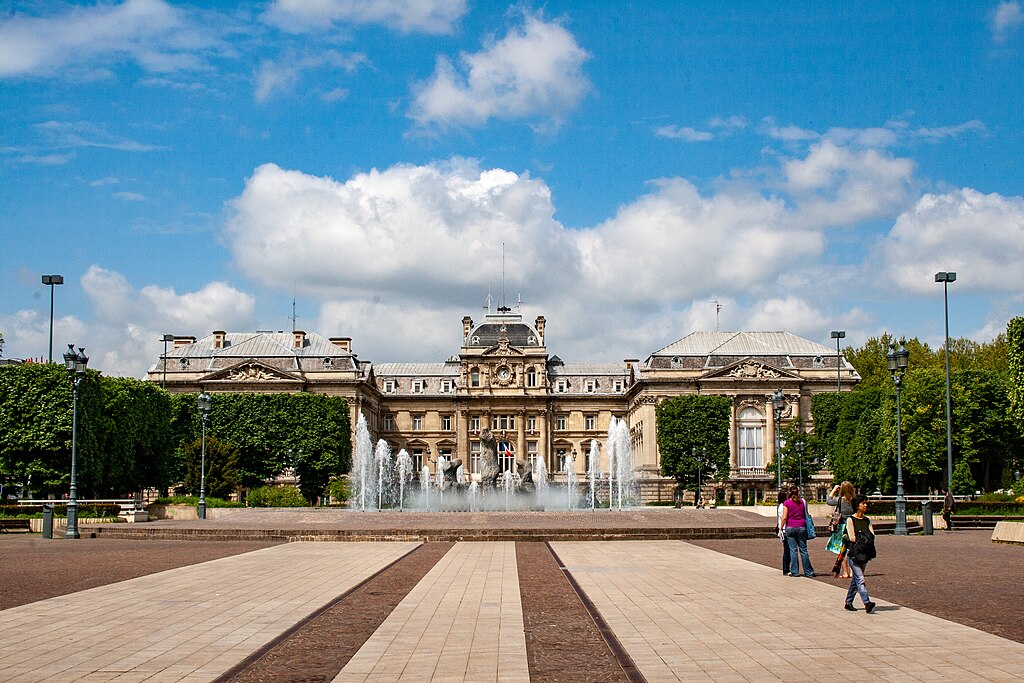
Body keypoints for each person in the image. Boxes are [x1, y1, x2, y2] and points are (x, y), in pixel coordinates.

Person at [843, 495, 876, 613]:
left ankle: (848, 602)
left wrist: (863, 537)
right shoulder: (850, 520)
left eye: (866, 503)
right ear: (857, 506)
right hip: (854, 553)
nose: (866, 505)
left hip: (865, 552)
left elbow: (872, 535)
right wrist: (864, 536)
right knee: (860, 578)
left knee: (856, 580)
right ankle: (867, 603)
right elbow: (852, 537)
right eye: (863, 503)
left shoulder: (867, 520)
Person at [779, 485, 815, 577]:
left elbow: (784, 517)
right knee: (803, 550)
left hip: (790, 527)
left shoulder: (786, 503)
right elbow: (806, 514)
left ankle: (795, 571)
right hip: (801, 527)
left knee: (793, 550)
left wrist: (781, 527)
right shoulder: (803, 502)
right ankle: (808, 572)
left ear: (789, 493)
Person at [826, 481, 856, 578]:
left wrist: (834, 490)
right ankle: (852, 572)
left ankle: (845, 572)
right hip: (852, 526)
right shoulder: (855, 500)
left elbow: (828, 500)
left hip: (841, 527)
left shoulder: (839, 500)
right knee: (852, 550)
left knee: (842, 550)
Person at [776, 489, 790, 574]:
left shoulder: (781, 506)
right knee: (787, 550)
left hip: (784, 530)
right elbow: (784, 518)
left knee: (787, 550)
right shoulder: (783, 507)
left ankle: (787, 568)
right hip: (785, 529)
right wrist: (781, 528)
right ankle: (786, 569)